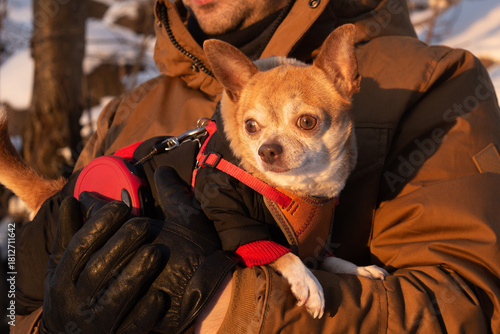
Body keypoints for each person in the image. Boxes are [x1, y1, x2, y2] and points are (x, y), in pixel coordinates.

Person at [14, 0, 500, 332]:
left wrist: (226, 304)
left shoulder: (430, 80)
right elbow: (25, 300)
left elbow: (467, 310)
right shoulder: (129, 108)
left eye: (306, 123)